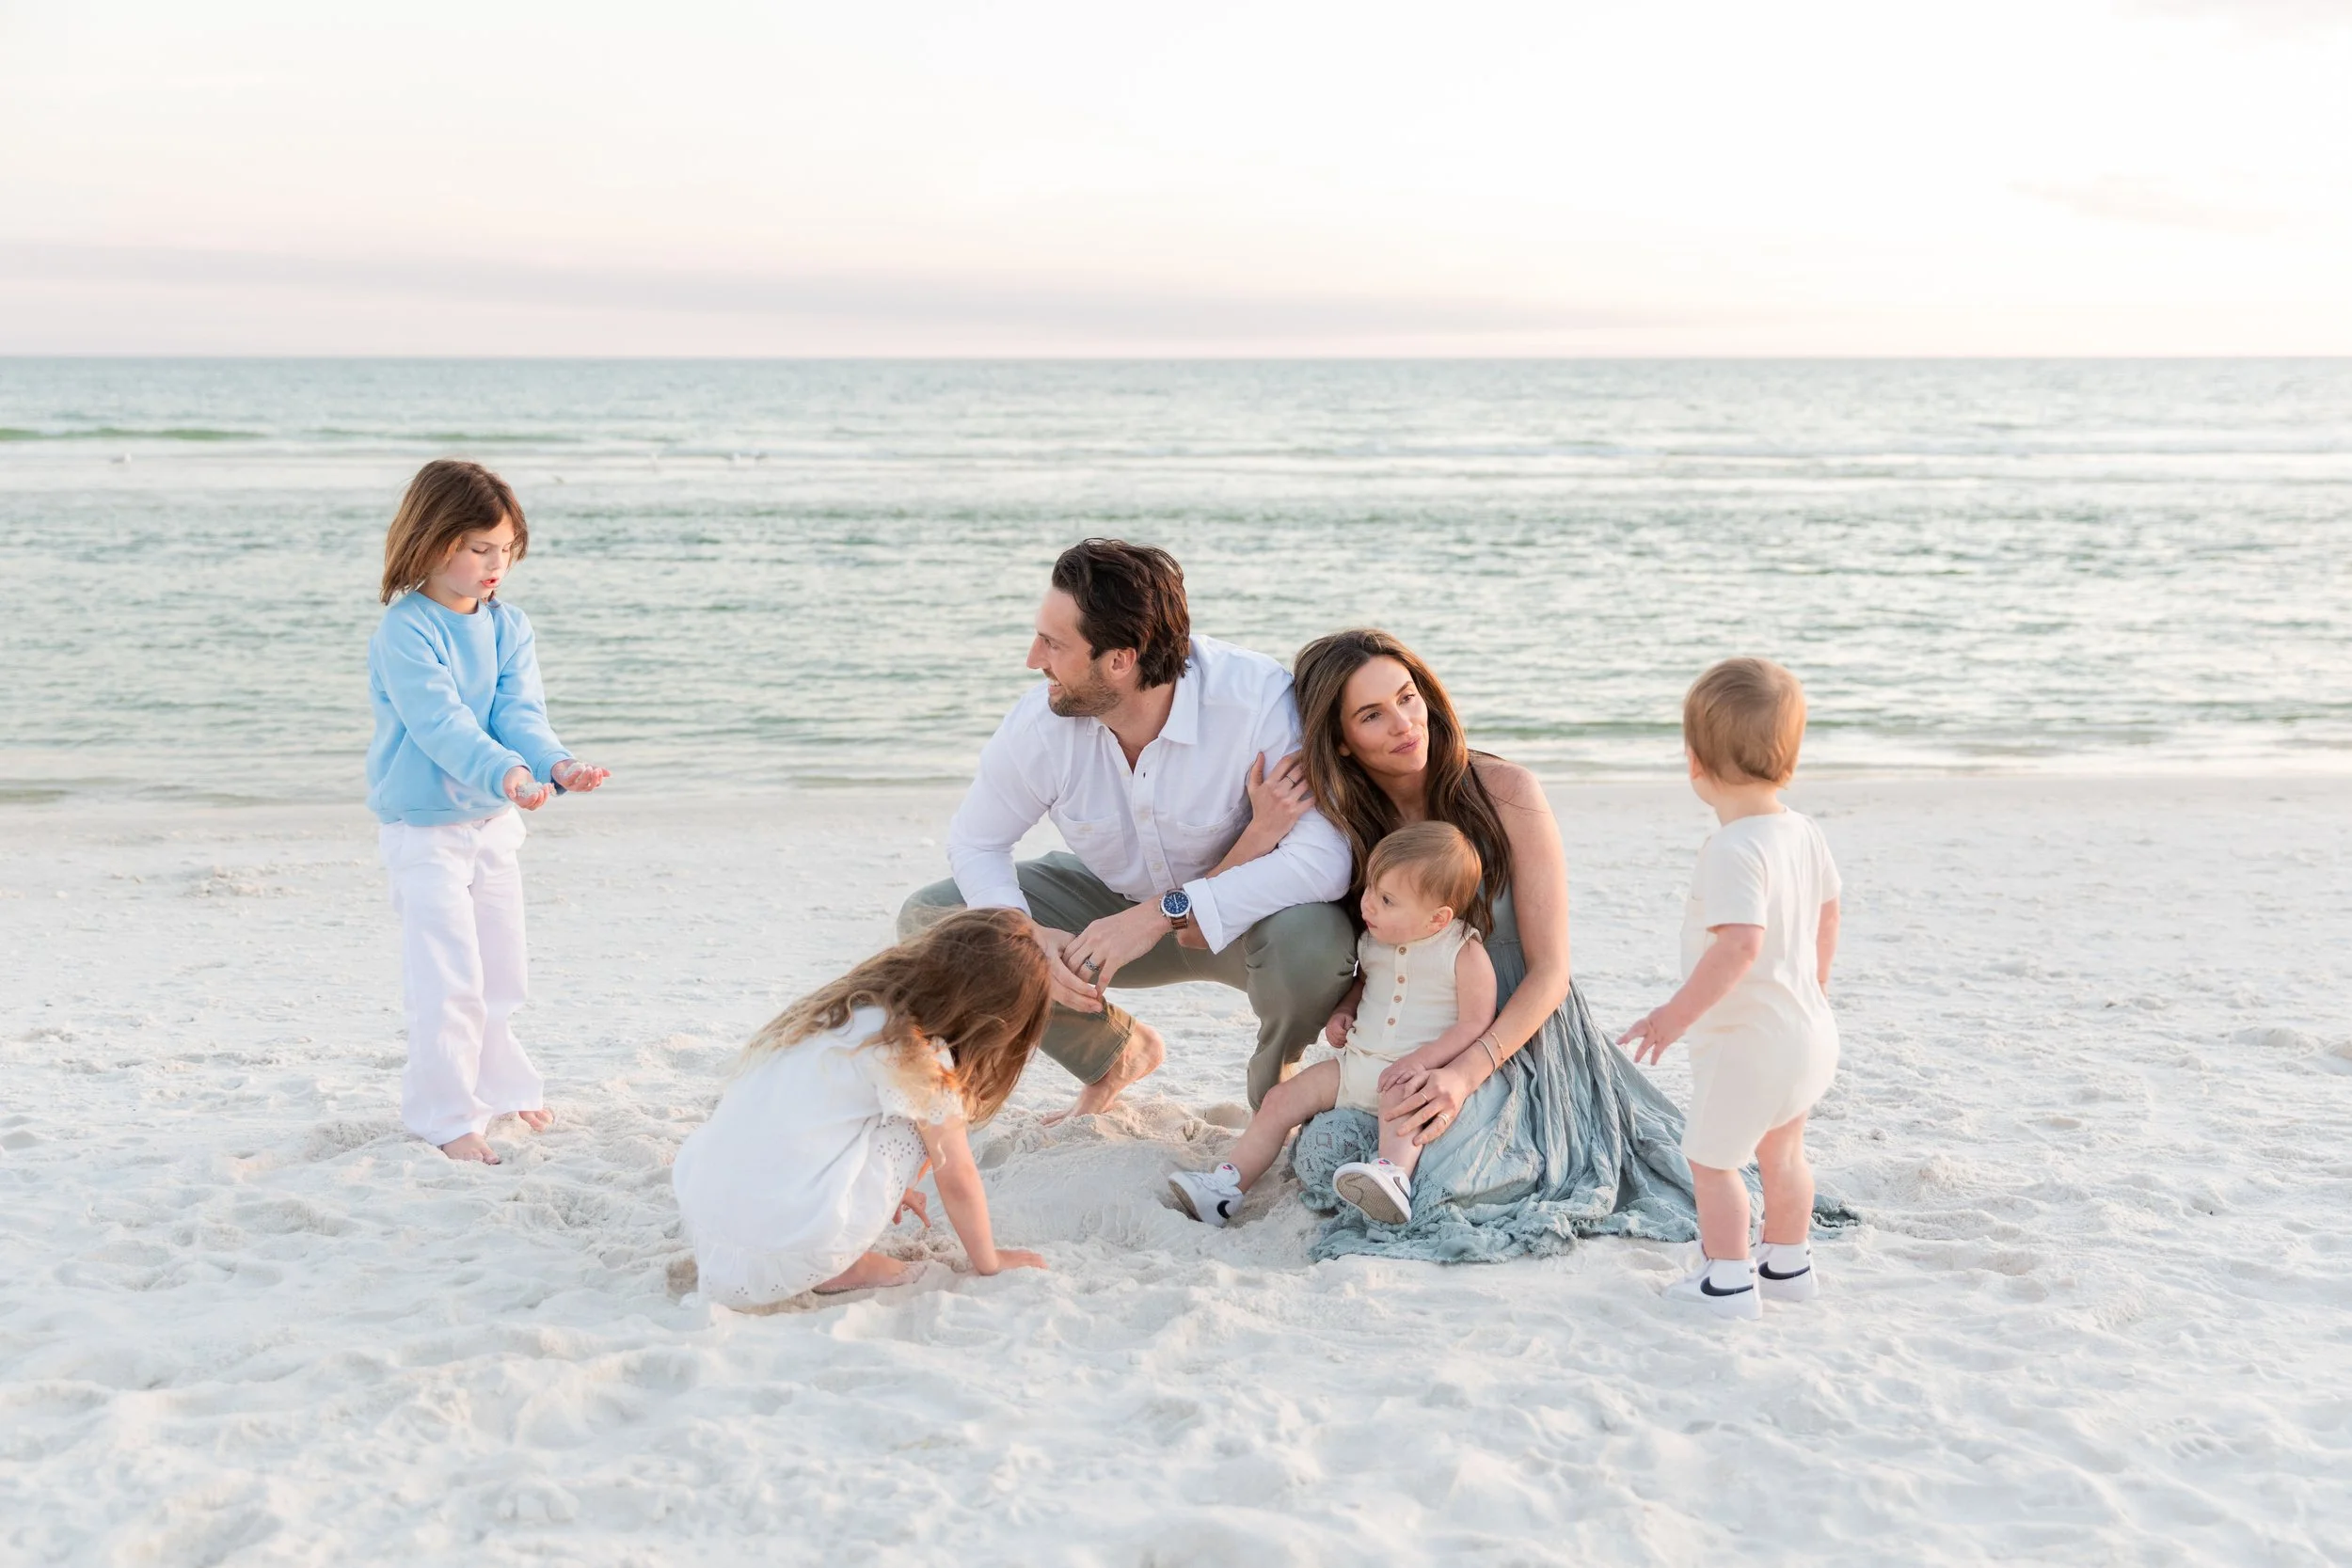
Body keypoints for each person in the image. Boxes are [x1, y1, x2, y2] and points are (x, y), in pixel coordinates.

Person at [1279, 629, 1740, 1263]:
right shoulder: (1355, 827)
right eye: (1371, 715)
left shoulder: (1507, 791)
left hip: (1518, 1031)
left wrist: (1465, 1072)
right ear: (1340, 741)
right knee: (1321, 1154)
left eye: (1408, 698)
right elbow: (1376, 948)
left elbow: (1552, 971)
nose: (1404, 724)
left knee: (1450, 1177)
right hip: (1411, 1035)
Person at [898, 539, 1359, 1116]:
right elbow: (977, 841)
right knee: (935, 922)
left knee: (1316, 945)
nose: (1032, 658)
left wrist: (1159, 914)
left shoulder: (1258, 702)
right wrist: (1024, 932)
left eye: (1054, 643)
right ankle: (1114, 1054)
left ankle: (1275, 1103)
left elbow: (1326, 860)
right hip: (1107, 916)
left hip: (1246, 925)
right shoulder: (1041, 725)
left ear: (1121, 659)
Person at [367, 459, 610, 1164]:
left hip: (493, 820)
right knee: (448, 979)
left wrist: (554, 765)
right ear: (436, 540)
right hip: (424, 828)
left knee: (503, 970)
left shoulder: (509, 625)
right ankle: (445, 1117)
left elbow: (518, 713)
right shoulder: (407, 631)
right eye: (480, 548)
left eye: (505, 549)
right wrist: (506, 771)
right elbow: (441, 724)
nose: (496, 563)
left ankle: (502, 1087)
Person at [671, 909, 1054, 1306]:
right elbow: (956, 1174)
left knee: (889, 1106)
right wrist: (989, 1260)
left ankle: (833, 1234)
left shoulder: (844, 1008)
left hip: (710, 1228)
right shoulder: (915, 1051)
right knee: (933, 1119)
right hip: (787, 1250)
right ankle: (841, 1264)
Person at [1618, 659, 1840, 1320]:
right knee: (1785, 1151)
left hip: (1751, 1043)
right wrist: (1813, 987)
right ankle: (1789, 1263)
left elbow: (1739, 944)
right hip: (1809, 1029)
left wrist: (1671, 1017)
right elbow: (1829, 914)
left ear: (1694, 762)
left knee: (1712, 1161)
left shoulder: (1732, 848)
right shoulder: (1803, 831)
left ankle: (1727, 1279)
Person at [1168, 821, 1497, 1227]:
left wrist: (1423, 1062)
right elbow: (1363, 984)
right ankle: (1225, 1188)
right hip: (1353, 1067)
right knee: (1280, 1100)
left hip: (1413, 1075)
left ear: (1437, 918)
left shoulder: (1462, 951)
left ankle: (1391, 1177)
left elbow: (1476, 1023)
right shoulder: (1373, 941)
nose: (1369, 905)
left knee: (1400, 1108)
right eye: (1372, 890)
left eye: (1388, 900)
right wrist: (1344, 1011)